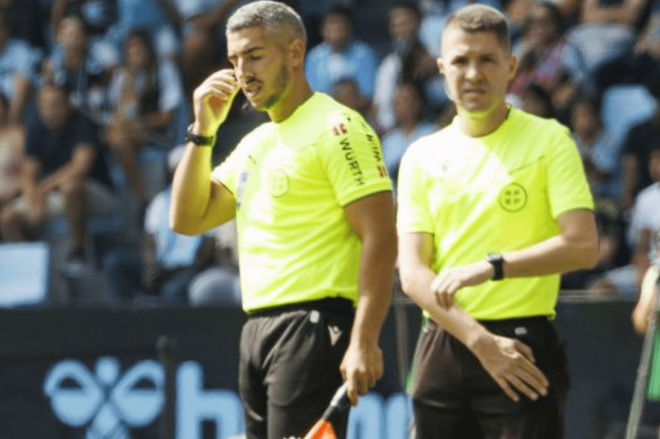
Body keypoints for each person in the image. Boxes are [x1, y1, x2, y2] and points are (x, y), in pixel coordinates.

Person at [169, 2, 397, 439]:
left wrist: (364, 339)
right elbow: (186, 218)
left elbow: (382, 236)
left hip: (312, 328)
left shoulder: (339, 126)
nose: (242, 72)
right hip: (257, 329)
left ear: (295, 52)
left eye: (255, 55)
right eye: (234, 59)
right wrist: (202, 132)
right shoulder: (257, 141)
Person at [396, 5, 599, 439]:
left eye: (487, 60)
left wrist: (493, 266)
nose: (473, 73)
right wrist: (480, 342)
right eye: (460, 61)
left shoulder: (549, 139)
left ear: (510, 67)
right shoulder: (420, 154)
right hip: (445, 341)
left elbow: (583, 246)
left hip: (523, 344)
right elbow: (413, 274)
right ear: (441, 69)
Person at [0, 81, 115, 265]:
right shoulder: (36, 128)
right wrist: (32, 197)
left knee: (71, 186)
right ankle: (27, 270)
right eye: (44, 104)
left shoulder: (83, 123)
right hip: (53, 193)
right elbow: (28, 172)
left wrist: (42, 188)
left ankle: (80, 252)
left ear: (67, 104)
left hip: (96, 193)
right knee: (7, 218)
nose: (50, 109)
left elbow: (79, 167)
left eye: (55, 103)